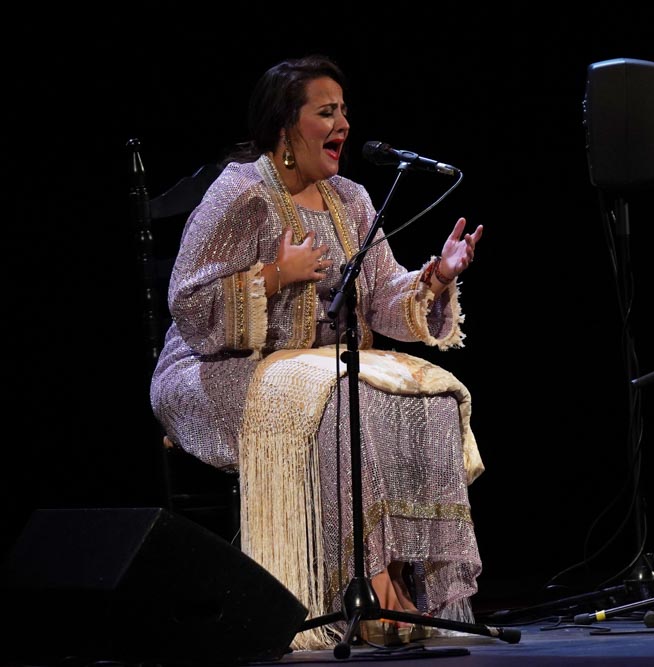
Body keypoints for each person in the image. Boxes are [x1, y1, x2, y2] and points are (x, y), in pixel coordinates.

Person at [150, 54, 486, 648]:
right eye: (326, 112)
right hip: (216, 369)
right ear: (286, 126)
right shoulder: (241, 194)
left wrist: (435, 278)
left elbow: (382, 296)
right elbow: (190, 305)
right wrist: (276, 274)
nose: (343, 124)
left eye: (344, 111)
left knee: (428, 398)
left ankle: (415, 587)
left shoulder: (350, 200)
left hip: (318, 373)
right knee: (339, 409)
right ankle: (367, 590)